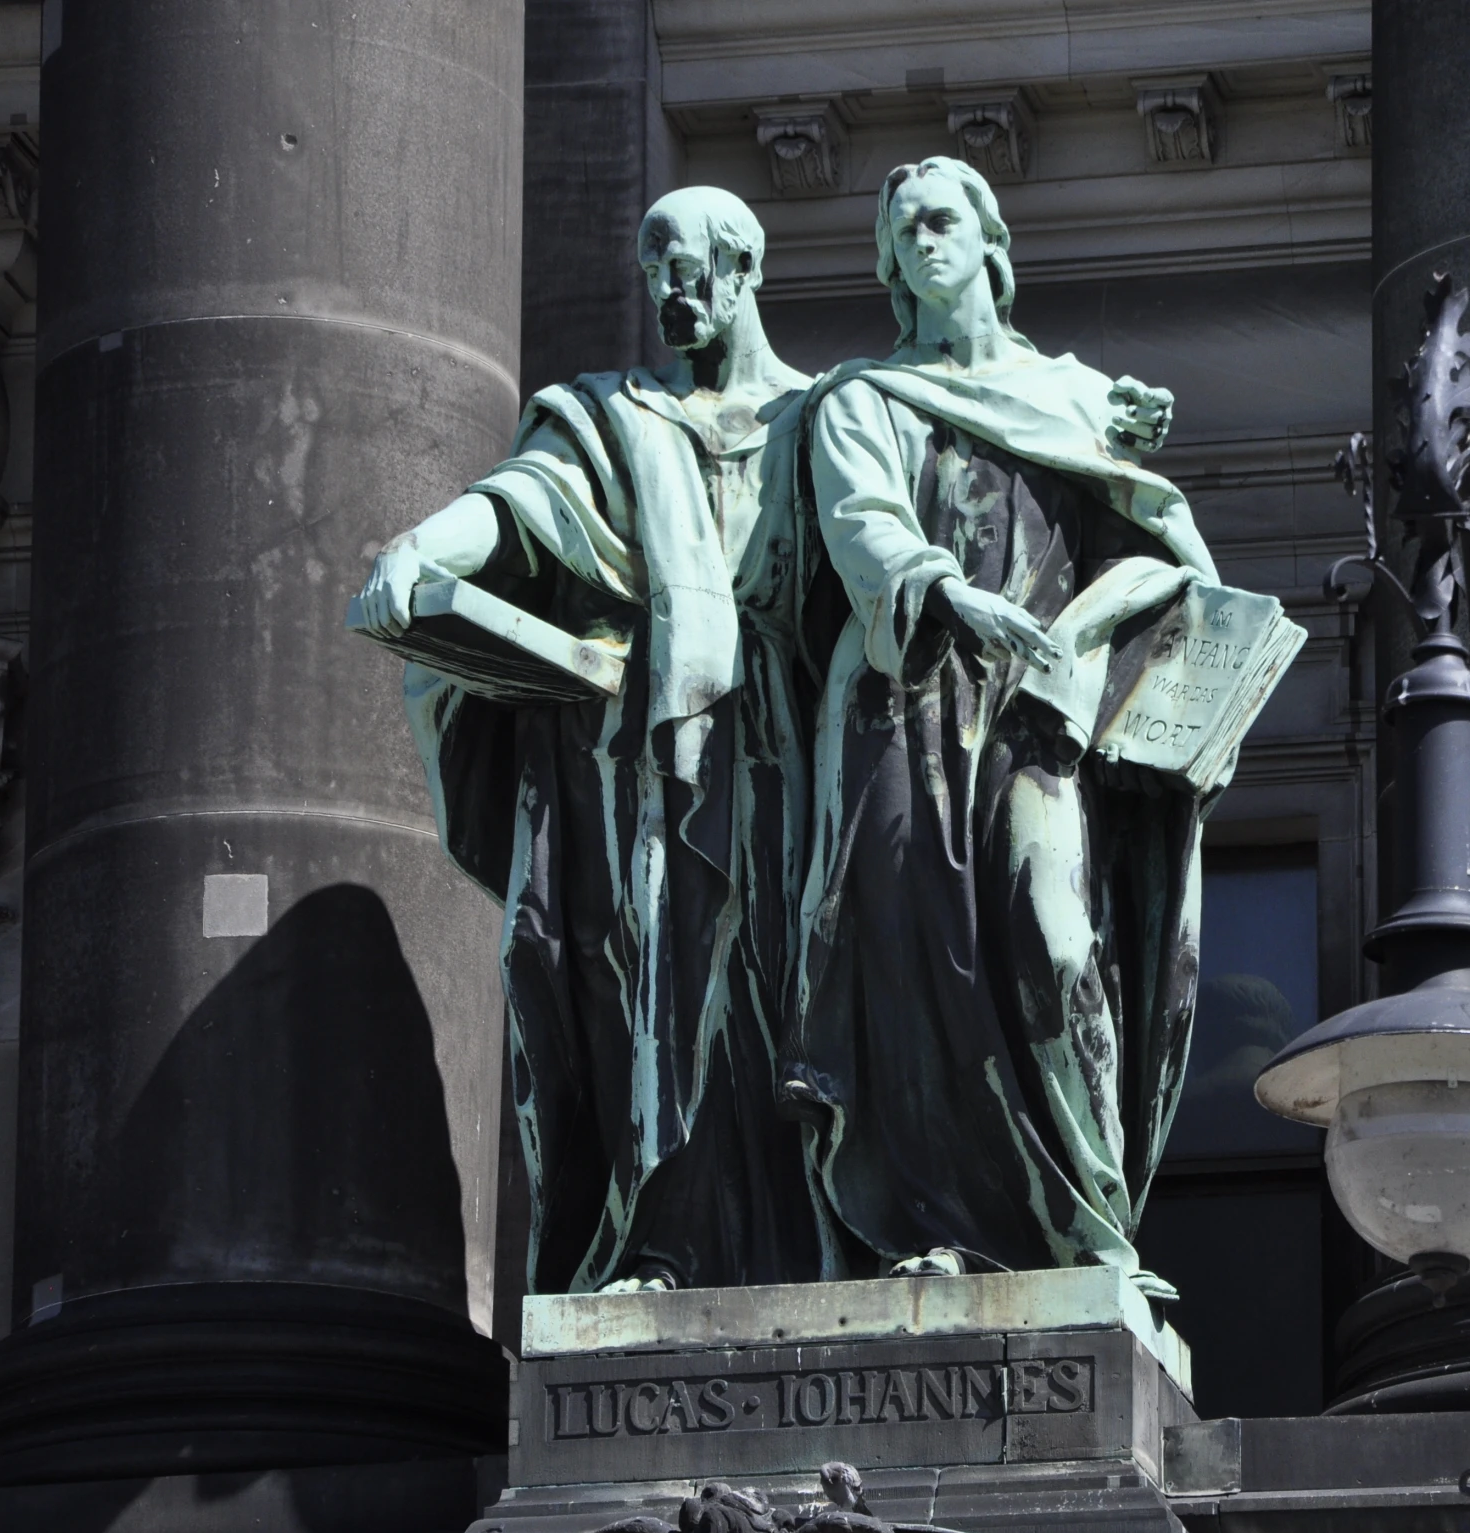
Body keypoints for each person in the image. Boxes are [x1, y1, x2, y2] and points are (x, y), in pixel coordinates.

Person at [351, 187, 834, 1294]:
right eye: (651, 260)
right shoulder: (607, 415)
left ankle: (817, 1241)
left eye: (690, 259)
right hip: (641, 757)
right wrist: (421, 548)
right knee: (652, 984)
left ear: (748, 264)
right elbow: (522, 502)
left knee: (784, 986)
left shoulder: (825, 416)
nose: (669, 282)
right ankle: (661, 1245)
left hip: (787, 744)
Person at [786, 156, 1219, 1297]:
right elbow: (861, 525)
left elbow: (1154, 555)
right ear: (889, 265)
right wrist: (946, 588)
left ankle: (1091, 1226)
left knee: (1052, 937)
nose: (923, 242)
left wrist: (1099, 594)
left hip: (1041, 710)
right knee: (917, 964)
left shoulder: (1080, 394)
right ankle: (936, 1223)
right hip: (904, 702)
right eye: (902, 232)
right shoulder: (859, 400)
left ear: (989, 242)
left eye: (942, 221)